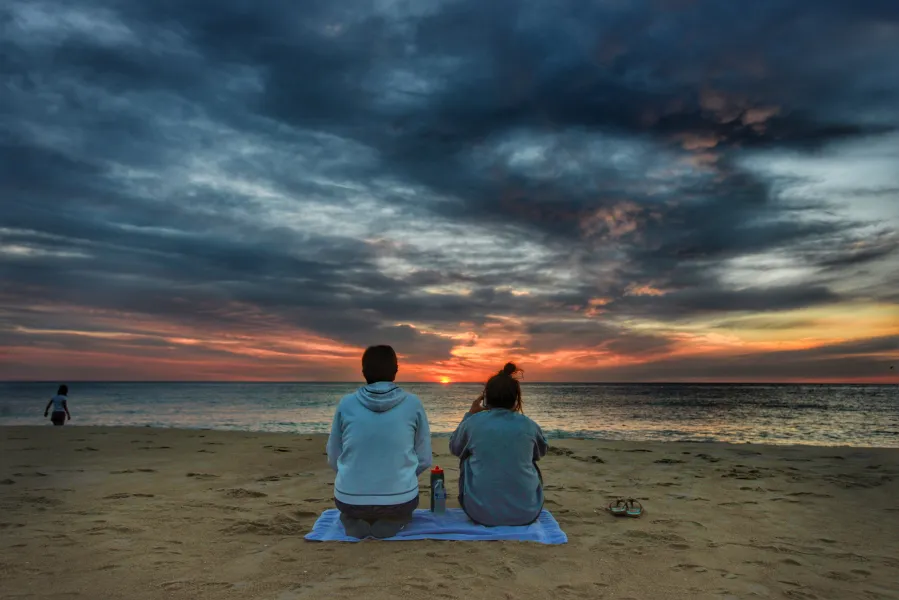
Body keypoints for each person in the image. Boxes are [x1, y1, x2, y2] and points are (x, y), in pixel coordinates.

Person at [326, 345, 432, 539]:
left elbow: (333, 456)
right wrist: (402, 474)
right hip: (399, 500)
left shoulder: (346, 403)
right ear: (395, 371)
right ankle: (394, 521)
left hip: (350, 498)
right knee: (401, 506)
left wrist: (354, 475)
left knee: (351, 507)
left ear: (363, 372)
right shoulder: (413, 403)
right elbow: (424, 459)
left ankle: (352, 519)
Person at [450, 363, 548, 526]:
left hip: (480, 514)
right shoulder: (529, 425)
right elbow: (541, 452)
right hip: (527, 513)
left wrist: (469, 414)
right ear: (516, 399)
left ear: (486, 398)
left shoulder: (473, 422)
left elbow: (455, 447)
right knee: (529, 459)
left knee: (466, 457)